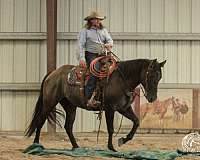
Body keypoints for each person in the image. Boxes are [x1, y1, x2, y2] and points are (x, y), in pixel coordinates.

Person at [77, 11, 113, 107]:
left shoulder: (103, 30)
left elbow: (110, 40)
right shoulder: (85, 31)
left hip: (103, 54)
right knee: (95, 70)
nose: (98, 21)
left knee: (115, 67)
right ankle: (88, 98)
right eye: (96, 19)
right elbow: (81, 45)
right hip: (91, 54)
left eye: (99, 19)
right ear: (91, 20)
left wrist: (109, 44)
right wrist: (82, 58)